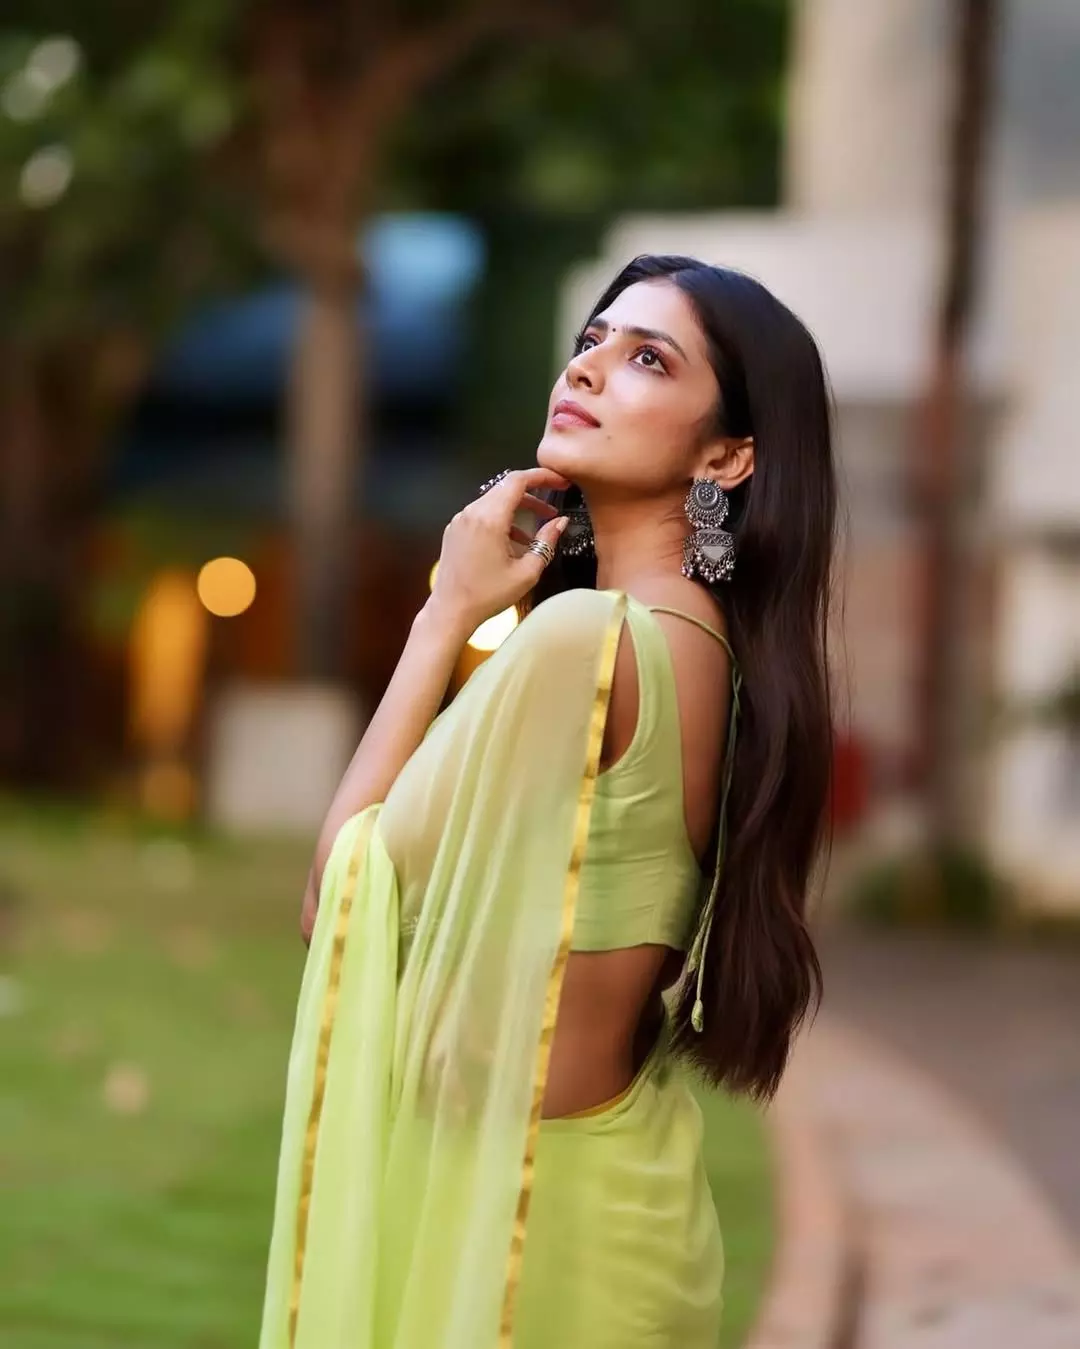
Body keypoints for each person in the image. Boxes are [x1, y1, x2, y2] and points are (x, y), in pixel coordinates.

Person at [259, 254, 837, 1349]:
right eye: (590, 342)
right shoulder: (702, 646)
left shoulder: (587, 642)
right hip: (599, 1190)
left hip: (533, 1232)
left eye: (648, 359)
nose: (588, 370)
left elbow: (340, 890)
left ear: (726, 455)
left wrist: (445, 613)